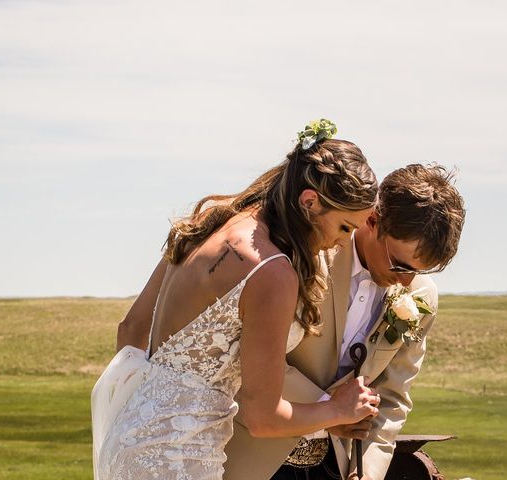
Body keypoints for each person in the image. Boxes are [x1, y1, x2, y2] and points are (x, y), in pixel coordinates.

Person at [92, 120, 382, 480]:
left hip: (128, 442)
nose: (342, 243)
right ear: (310, 202)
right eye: (344, 227)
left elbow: (131, 330)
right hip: (182, 458)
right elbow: (263, 418)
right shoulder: (272, 271)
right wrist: (339, 410)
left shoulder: (210, 221)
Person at [224, 164, 466, 480]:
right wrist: (329, 411)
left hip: (334, 468)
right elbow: (249, 357)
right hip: (250, 455)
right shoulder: (301, 258)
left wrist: (367, 473)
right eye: (399, 264)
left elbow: (391, 399)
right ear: (372, 220)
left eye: (419, 271)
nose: (405, 282)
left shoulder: (421, 297)